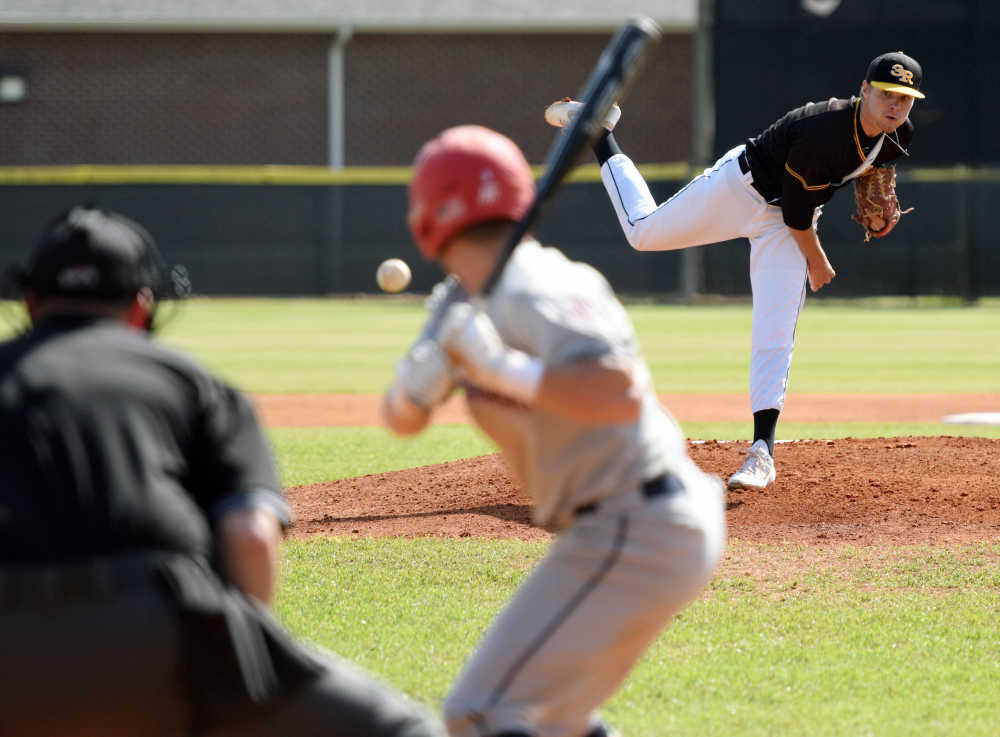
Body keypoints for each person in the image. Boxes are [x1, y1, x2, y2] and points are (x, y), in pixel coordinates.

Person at [0, 206, 445, 737]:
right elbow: (252, 536)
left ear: (30, 302)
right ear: (142, 308)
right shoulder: (192, 383)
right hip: (159, 629)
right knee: (405, 728)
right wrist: (238, 679)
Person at [382, 125, 726, 737]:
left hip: (637, 520)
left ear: (429, 213)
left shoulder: (539, 286)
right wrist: (420, 382)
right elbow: (400, 421)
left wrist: (497, 368)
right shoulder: (461, 302)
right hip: (628, 525)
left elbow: (617, 392)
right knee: (555, 722)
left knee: (479, 712)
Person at [548, 51, 925, 491]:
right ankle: (600, 133)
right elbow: (797, 216)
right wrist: (817, 261)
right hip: (741, 190)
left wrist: (877, 206)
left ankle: (761, 453)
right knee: (642, 232)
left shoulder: (900, 135)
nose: (896, 105)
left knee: (776, 329)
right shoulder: (821, 129)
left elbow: (870, 168)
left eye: (906, 97)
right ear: (864, 91)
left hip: (787, 220)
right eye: (886, 94)